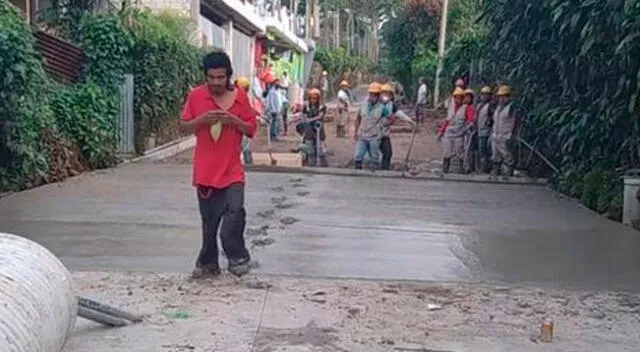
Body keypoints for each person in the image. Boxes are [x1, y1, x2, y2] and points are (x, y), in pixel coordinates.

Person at [179, 51, 257, 278]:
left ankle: (238, 256)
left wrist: (234, 121)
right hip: (205, 171)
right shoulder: (196, 96)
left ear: (228, 77)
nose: (216, 82)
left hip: (232, 170)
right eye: (211, 77)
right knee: (209, 223)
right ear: (205, 77)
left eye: (220, 77)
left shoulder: (241, 98)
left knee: (235, 212)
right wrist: (201, 121)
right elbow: (183, 126)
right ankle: (208, 263)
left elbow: (251, 129)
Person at [353, 82, 390, 170]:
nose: (372, 97)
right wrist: (355, 132)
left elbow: (390, 118)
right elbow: (358, 118)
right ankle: (357, 175)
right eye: (371, 94)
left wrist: (382, 125)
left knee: (374, 158)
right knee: (358, 156)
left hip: (375, 137)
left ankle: (375, 176)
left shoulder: (382, 108)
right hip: (363, 135)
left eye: (374, 95)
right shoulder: (363, 105)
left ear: (378, 96)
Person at [380, 83, 417, 170]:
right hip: (373, 133)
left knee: (388, 153)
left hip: (384, 134)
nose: (386, 95)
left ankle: (384, 170)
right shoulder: (374, 104)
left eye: (388, 93)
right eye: (384, 93)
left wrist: (410, 121)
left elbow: (400, 114)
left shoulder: (391, 105)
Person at [438, 87, 470, 173]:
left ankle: (461, 170)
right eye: (456, 97)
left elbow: (471, 120)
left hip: (459, 134)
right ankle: (445, 170)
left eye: (459, 97)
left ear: (462, 98)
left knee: (460, 153)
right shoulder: (451, 108)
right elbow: (447, 121)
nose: (457, 99)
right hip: (449, 134)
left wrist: (469, 127)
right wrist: (441, 131)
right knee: (446, 152)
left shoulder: (466, 108)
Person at [491, 85, 520, 178]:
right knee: (495, 156)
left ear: (509, 97)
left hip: (506, 136)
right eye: (500, 96)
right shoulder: (498, 108)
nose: (501, 99)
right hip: (496, 136)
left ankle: (508, 174)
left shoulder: (511, 108)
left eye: (504, 96)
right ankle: (496, 173)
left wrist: (514, 135)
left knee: (507, 156)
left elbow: (517, 122)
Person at [299, 88, 328, 167]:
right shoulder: (306, 106)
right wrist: (305, 120)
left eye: (315, 98)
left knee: (321, 147)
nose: (313, 100)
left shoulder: (322, 106)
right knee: (308, 146)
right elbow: (304, 115)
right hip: (309, 129)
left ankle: (322, 162)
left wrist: (310, 119)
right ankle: (309, 161)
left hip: (319, 127)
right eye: (311, 98)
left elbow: (320, 116)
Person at [476, 86, 495, 173]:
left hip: (487, 133)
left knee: (486, 152)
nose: (484, 96)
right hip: (479, 132)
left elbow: (493, 119)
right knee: (480, 152)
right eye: (483, 94)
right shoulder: (479, 106)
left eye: (486, 95)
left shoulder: (490, 106)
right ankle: (481, 169)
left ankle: (485, 170)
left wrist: (489, 122)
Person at [462, 89, 477, 173]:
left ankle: (468, 167)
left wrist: (469, 126)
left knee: (468, 150)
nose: (467, 99)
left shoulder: (470, 108)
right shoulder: (464, 107)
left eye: (468, 97)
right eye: (466, 97)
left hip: (469, 131)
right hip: (464, 131)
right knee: (464, 149)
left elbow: (471, 120)